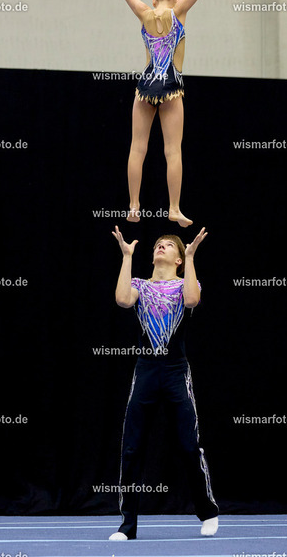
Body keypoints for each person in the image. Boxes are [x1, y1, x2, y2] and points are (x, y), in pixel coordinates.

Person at [87, 0, 228, 227]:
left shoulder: (144, 12)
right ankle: (174, 208)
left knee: (137, 148)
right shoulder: (179, 12)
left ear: (154, 0)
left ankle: (133, 205)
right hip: (171, 87)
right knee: (172, 150)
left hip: (145, 86)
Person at [109, 224, 219, 540]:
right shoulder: (139, 285)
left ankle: (208, 511)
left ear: (178, 259)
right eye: (158, 244)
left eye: (169, 245)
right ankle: (127, 526)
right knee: (132, 448)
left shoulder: (185, 283)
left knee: (188, 444)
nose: (161, 246)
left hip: (175, 371)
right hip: (146, 370)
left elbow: (192, 300)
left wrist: (192, 256)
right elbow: (122, 300)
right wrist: (126, 256)